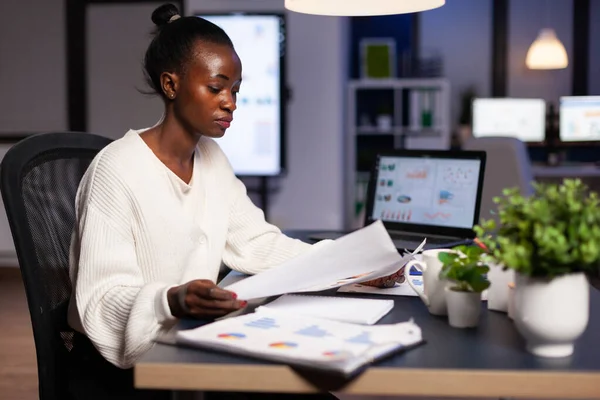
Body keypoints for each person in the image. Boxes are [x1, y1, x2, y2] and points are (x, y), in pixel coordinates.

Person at [66, 3, 399, 399]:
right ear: (170, 85)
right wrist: (171, 299)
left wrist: (350, 266)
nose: (230, 102)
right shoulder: (116, 169)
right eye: (216, 87)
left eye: (235, 90)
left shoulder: (210, 158)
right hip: (130, 372)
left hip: (189, 343)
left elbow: (256, 242)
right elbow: (104, 297)